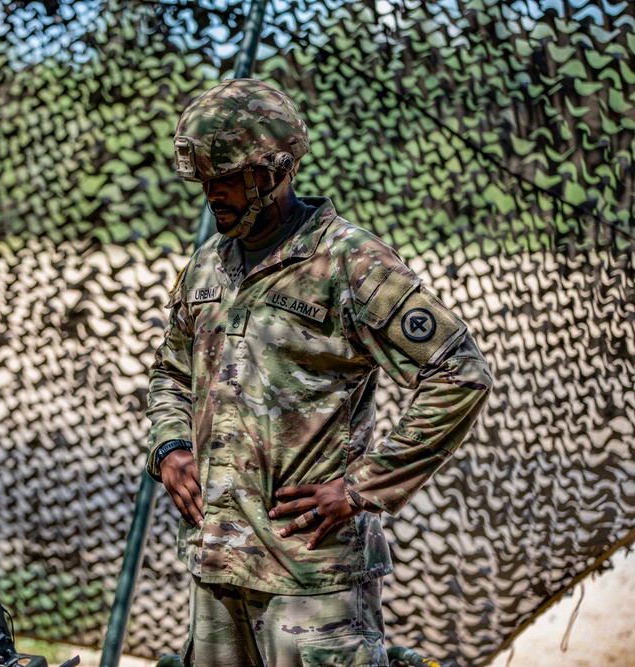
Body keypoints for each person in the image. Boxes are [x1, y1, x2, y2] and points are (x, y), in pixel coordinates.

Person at [145, 79, 493, 666]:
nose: (212, 193)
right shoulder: (207, 266)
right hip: (217, 568)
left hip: (313, 579)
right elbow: (173, 372)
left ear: (274, 171)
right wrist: (171, 448)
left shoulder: (350, 262)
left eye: (225, 176)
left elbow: (459, 374)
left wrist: (363, 488)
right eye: (205, 179)